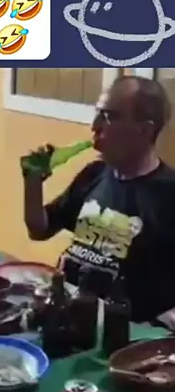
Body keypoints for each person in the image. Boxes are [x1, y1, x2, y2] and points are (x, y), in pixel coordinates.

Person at [23, 75, 175, 323]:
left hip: (122, 335)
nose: (95, 126)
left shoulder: (169, 195)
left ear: (145, 130)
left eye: (109, 116)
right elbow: (39, 229)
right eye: (97, 114)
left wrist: (158, 328)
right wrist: (32, 183)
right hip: (68, 318)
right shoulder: (94, 174)